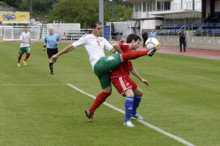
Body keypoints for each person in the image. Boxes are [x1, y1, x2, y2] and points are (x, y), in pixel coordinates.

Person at [51, 21, 160, 122]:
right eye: (98, 28)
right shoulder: (87, 38)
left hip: (102, 69)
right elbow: (71, 46)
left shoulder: (103, 40)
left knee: (107, 91)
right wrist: (57, 55)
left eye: (101, 28)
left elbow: (114, 51)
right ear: (92, 29)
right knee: (122, 57)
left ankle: (90, 111)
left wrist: (121, 48)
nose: (100, 30)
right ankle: (147, 52)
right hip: (99, 63)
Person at [111, 34, 149, 127]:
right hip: (118, 76)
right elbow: (115, 45)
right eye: (138, 43)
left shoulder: (128, 51)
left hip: (125, 76)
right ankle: (127, 121)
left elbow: (131, 68)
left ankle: (133, 113)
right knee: (130, 94)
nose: (138, 45)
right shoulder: (125, 46)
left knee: (139, 93)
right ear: (133, 41)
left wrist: (141, 79)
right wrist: (122, 53)